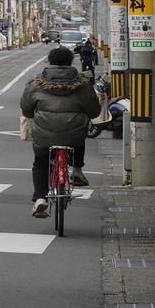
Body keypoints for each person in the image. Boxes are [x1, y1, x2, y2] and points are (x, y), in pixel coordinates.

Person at [22, 47, 99, 216]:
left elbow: (26, 109)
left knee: (40, 162)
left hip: (44, 134)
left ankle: (41, 198)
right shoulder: (83, 83)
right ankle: (77, 170)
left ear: (49, 62)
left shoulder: (36, 82)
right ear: (71, 62)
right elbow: (94, 111)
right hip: (73, 134)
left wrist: (31, 114)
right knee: (79, 133)